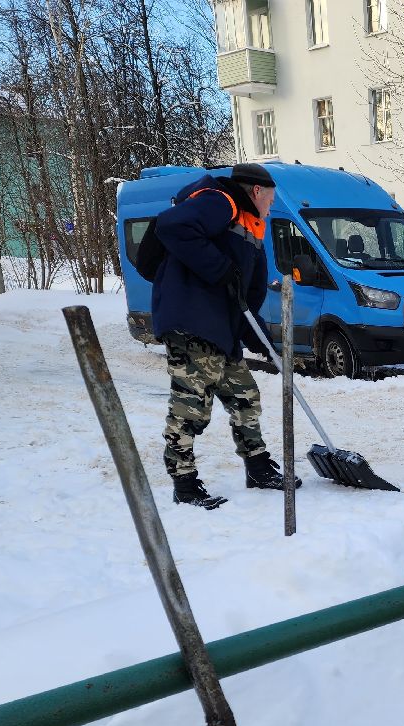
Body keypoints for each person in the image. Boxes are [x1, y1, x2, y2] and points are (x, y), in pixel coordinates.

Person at [151, 162, 298, 509]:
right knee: (190, 407)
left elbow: (242, 295)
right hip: (192, 322)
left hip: (221, 327)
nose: (273, 205)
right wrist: (219, 269)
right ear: (257, 192)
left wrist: (260, 338)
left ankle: (258, 468)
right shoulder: (223, 201)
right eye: (271, 197)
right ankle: (184, 483)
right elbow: (172, 226)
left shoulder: (251, 224)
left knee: (245, 396)